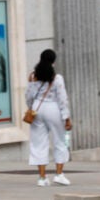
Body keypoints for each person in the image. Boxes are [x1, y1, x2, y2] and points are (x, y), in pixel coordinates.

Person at [26, 49, 72, 187]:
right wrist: (67, 117)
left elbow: (28, 95)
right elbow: (62, 99)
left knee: (38, 143)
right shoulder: (57, 78)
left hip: (37, 109)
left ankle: (42, 178)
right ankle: (59, 174)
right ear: (53, 61)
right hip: (53, 109)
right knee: (60, 140)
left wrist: (31, 108)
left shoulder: (33, 76)